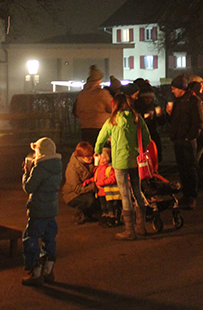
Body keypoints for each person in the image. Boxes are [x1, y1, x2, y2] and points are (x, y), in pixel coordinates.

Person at [95, 93, 152, 240]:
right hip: (135, 161)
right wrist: (139, 151)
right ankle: (142, 227)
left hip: (119, 162)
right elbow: (147, 138)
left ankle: (129, 230)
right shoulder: (137, 119)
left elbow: (100, 140)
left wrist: (97, 152)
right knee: (137, 191)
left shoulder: (112, 121)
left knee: (125, 194)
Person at [21, 137, 63, 286]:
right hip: (52, 209)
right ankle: (48, 270)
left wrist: (26, 173)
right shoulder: (58, 166)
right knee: (49, 239)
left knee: (31, 238)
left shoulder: (39, 168)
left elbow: (29, 187)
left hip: (38, 210)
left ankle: (35, 272)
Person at [168, 74, 203, 209]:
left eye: (174, 88)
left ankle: (192, 196)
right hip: (178, 139)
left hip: (187, 141)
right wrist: (168, 115)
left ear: (180, 88)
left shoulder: (194, 101)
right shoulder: (178, 102)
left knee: (190, 168)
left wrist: (190, 136)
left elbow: (199, 122)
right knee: (182, 169)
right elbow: (174, 122)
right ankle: (186, 195)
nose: (172, 91)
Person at [73, 66, 113, 147]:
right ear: (99, 80)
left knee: (89, 151)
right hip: (101, 127)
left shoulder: (81, 94)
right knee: (102, 152)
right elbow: (112, 107)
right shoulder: (102, 93)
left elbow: (76, 111)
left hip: (85, 127)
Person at [61, 141, 98, 224]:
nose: (91, 158)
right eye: (87, 156)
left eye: (91, 155)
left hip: (85, 188)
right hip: (72, 194)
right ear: (81, 156)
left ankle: (88, 215)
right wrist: (93, 186)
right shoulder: (72, 168)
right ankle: (79, 214)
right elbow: (77, 189)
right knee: (89, 200)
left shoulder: (88, 162)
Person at [92, 149, 121, 227]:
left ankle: (111, 218)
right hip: (100, 193)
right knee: (103, 206)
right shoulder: (98, 169)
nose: (102, 160)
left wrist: (102, 183)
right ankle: (105, 218)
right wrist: (89, 181)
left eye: (104, 158)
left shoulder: (109, 168)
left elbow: (112, 178)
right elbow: (96, 177)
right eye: (100, 158)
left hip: (108, 193)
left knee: (110, 206)